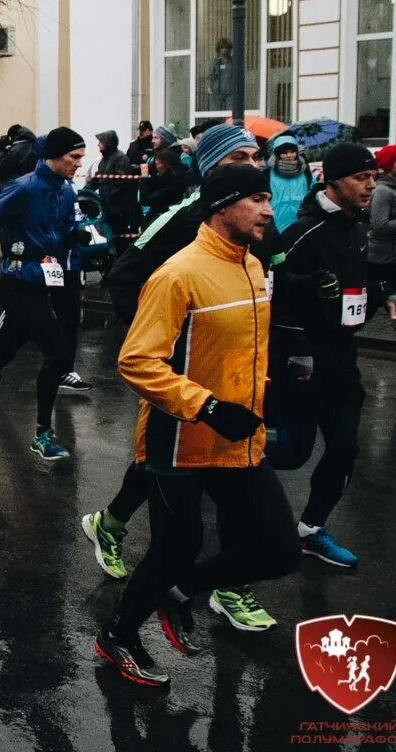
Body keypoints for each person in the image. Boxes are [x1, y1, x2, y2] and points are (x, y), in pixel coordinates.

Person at [96, 165, 300, 687]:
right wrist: (207, 407)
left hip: (237, 438)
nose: (268, 209)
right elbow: (137, 361)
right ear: (222, 205)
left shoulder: (252, 266)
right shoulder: (177, 274)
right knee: (174, 548)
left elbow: (235, 349)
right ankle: (118, 636)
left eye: (267, 198)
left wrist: (269, 390)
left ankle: (180, 593)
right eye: (256, 198)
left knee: (279, 549)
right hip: (178, 441)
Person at [269, 143, 396, 569]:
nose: (370, 185)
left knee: (345, 448)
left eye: (372, 177)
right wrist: (299, 352)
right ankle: (221, 468)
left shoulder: (358, 226)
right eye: (360, 178)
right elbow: (274, 294)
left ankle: (310, 528)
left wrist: (386, 295)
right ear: (333, 181)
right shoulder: (301, 233)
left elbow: (363, 276)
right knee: (293, 454)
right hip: (302, 364)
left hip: (342, 361)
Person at [0, 127, 92, 460]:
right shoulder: (22, 188)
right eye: (74, 158)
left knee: (2, 355)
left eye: (81, 158)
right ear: (53, 156)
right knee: (57, 350)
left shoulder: (66, 190)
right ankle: (42, 433)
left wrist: (76, 239)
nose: (79, 164)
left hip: (45, 280)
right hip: (17, 283)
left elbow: (62, 231)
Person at [368, 143, 396, 384]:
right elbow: (379, 226)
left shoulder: (394, 189)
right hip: (382, 262)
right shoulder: (384, 191)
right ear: (388, 165)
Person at [93, 130, 140, 250]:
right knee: (111, 237)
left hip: (119, 209)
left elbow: (122, 182)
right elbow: (98, 178)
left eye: (101, 142)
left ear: (108, 143)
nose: (98, 145)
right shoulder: (104, 160)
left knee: (121, 239)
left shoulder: (120, 158)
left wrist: (110, 196)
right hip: (108, 208)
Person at [266, 133, 311, 233]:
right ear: (277, 154)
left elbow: (312, 192)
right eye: (284, 153)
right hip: (275, 224)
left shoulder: (306, 171)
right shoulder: (267, 173)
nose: (289, 155)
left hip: (302, 223)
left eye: (292, 151)